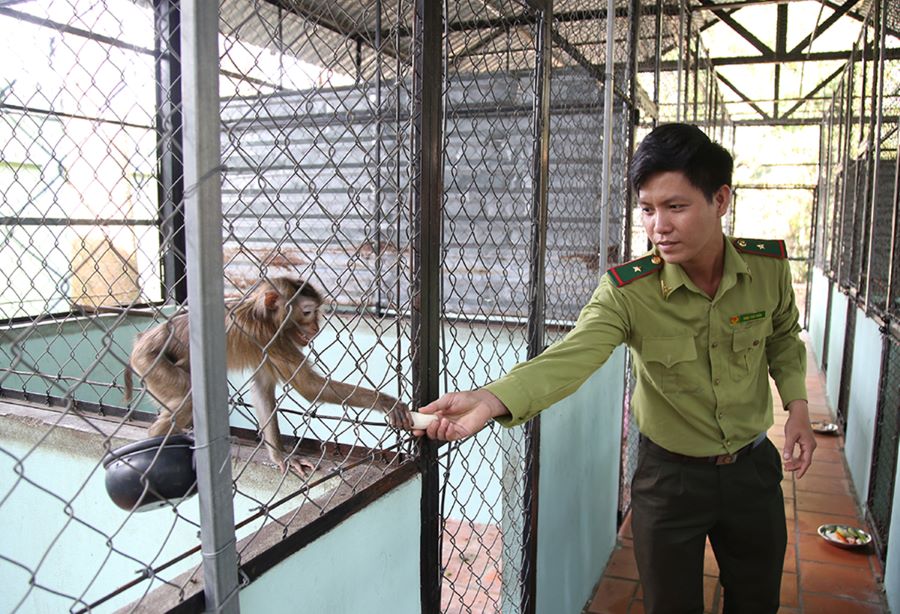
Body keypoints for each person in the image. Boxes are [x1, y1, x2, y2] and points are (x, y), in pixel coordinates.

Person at [416, 122, 817, 614]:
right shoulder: (630, 291)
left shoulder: (769, 269)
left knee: (757, 602)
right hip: (670, 481)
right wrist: (492, 398)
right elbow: (575, 354)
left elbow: (781, 336)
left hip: (752, 472)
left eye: (676, 207)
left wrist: (797, 408)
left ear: (721, 200)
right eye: (647, 209)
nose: (658, 227)